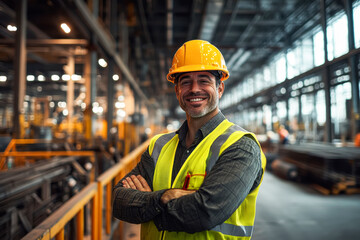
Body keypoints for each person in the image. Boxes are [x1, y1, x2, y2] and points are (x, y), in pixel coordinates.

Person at [112, 40, 266, 239]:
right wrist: (164, 197)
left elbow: (204, 212)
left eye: (204, 80)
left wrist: (147, 202)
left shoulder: (241, 146)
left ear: (219, 89)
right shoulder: (158, 146)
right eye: (186, 81)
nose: (194, 89)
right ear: (177, 91)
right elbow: (118, 200)